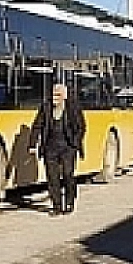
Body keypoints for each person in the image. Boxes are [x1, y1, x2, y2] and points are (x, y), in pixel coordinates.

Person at [31, 81, 86, 215]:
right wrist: (32, 144)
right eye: (54, 94)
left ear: (64, 96)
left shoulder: (73, 108)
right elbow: (37, 125)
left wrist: (75, 143)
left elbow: (81, 126)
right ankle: (57, 206)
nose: (55, 98)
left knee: (68, 175)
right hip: (50, 147)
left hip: (68, 147)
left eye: (58, 95)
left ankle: (69, 202)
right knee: (52, 177)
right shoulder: (46, 107)